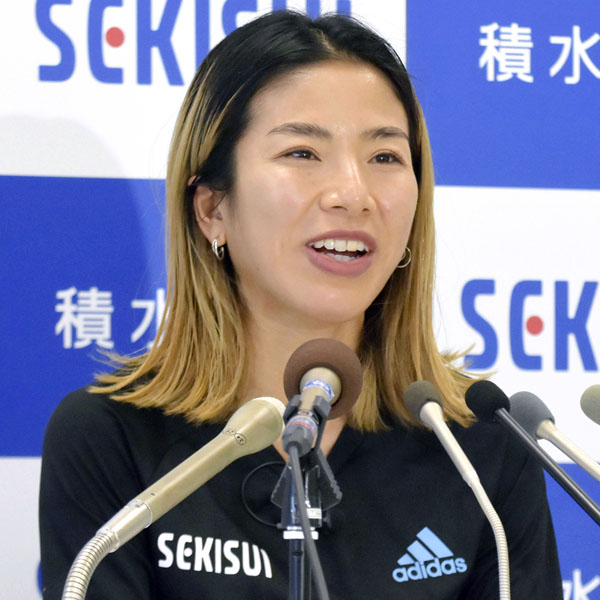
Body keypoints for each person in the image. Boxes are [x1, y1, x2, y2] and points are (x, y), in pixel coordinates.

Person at [39, 9, 563, 599]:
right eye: (302, 153)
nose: (353, 194)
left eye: (385, 157)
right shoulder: (112, 438)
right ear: (212, 209)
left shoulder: (476, 443)